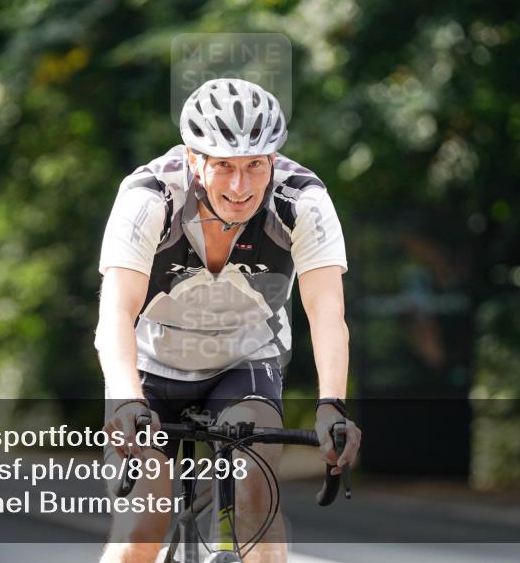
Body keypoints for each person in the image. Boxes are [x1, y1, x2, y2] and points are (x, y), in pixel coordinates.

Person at [96, 78, 361, 563]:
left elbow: (326, 310)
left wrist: (331, 406)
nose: (240, 187)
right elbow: (115, 311)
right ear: (194, 159)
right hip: (151, 367)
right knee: (142, 525)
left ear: (273, 161)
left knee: (255, 496)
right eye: (223, 166)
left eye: (254, 166)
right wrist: (126, 401)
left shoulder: (301, 202)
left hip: (245, 358)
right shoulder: (149, 197)